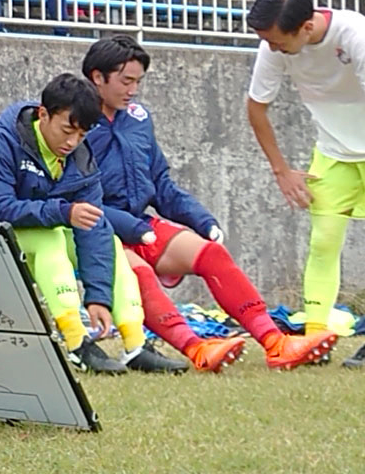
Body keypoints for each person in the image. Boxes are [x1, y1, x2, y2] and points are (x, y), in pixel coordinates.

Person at [81, 34, 334, 370]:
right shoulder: (75, 122)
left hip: (140, 224)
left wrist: (202, 220)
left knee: (210, 253)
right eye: (126, 81)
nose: (133, 90)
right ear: (97, 77)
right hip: (96, 229)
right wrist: (132, 229)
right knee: (137, 272)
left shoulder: (138, 119)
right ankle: (197, 350)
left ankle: (276, 343)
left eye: (138, 81)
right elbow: (77, 197)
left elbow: (161, 184)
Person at [0, 73, 183, 374]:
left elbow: (95, 227)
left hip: (35, 232)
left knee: (112, 242)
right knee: (50, 238)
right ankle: (76, 343)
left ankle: (135, 344)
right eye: (67, 130)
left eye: (83, 135)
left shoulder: (81, 157)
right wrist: (63, 213)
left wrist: (97, 297)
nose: (72, 142)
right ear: (43, 114)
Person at [244, 0, 365, 361]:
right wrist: (281, 171)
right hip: (332, 155)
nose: (272, 48)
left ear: (307, 28)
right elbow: (256, 107)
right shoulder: (273, 46)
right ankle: (315, 340)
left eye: (279, 41)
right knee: (323, 243)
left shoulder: (355, 35)